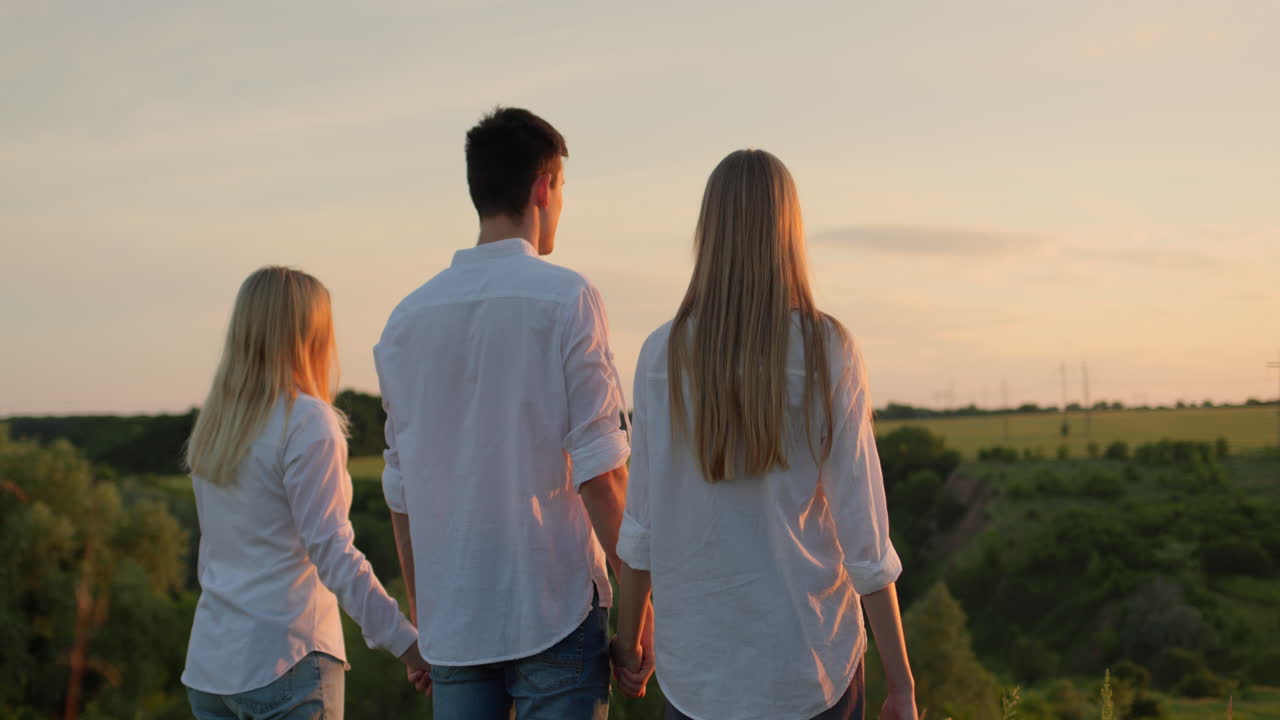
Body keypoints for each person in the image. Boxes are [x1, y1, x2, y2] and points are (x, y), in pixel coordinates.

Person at [611, 150, 918, 720]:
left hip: (697, 678)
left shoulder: (661, 355)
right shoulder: (828, 350)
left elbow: (642, 527)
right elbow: (866, 538)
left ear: (709, 232)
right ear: (789, 232)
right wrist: (901, 683)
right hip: (811, 667)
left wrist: (627, 643)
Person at [374, 107, 645, 720]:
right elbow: (602, 477)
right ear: (543, 187)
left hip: (454, 622)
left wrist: (425, 617)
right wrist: (638, 612)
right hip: (553, 608)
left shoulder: (404, 322)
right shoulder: (569, 298)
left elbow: (401, 495)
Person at [181, 267, 428, 719]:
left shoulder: (215, 426)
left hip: (211, 669)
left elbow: (213, 552)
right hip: (285, 659)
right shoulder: (307, 421)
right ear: (312, 336)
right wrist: (409, 645)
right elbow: (334, 553)